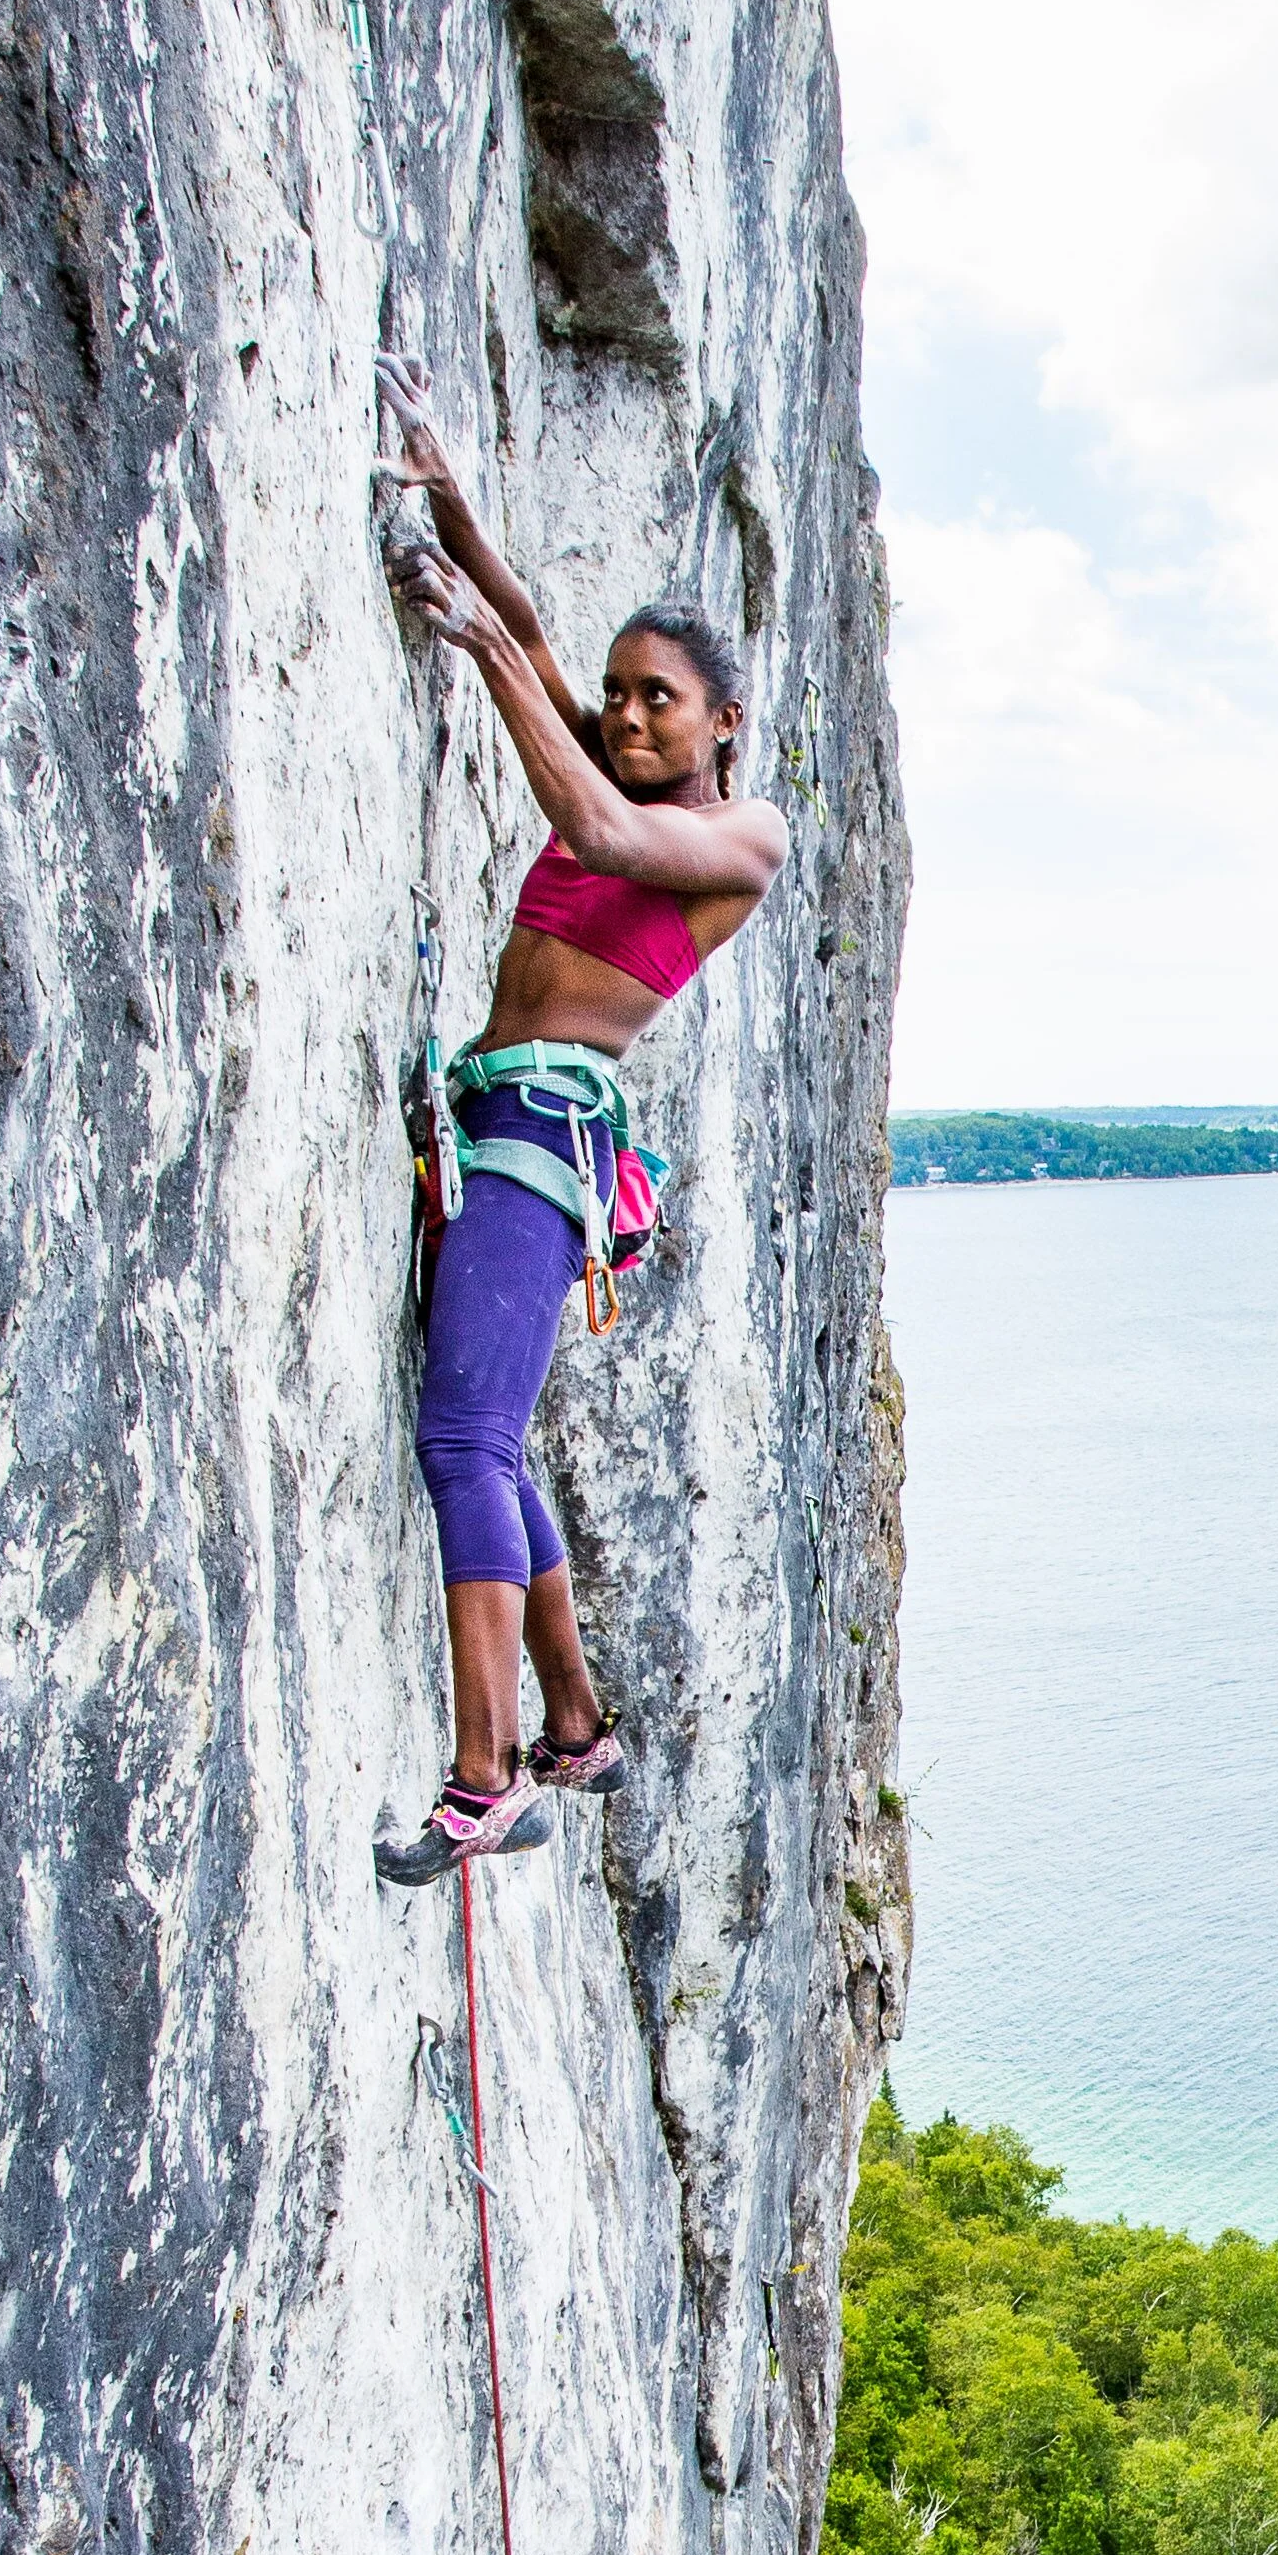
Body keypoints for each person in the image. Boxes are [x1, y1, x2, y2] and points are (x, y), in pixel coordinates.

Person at [370, 351, 788, 1886]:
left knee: (465, 1437)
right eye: (616, 696)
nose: (623, 715)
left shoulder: (735, 833)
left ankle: (485, 1780)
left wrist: (482, 645)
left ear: (721, 722)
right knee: (498, 1437)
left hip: (546, 1135)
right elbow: (539, 642)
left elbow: (597, 824)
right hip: (503, 1125)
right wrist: (455, 500)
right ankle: (575, 1720)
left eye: (655, 699)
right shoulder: (613, 754)